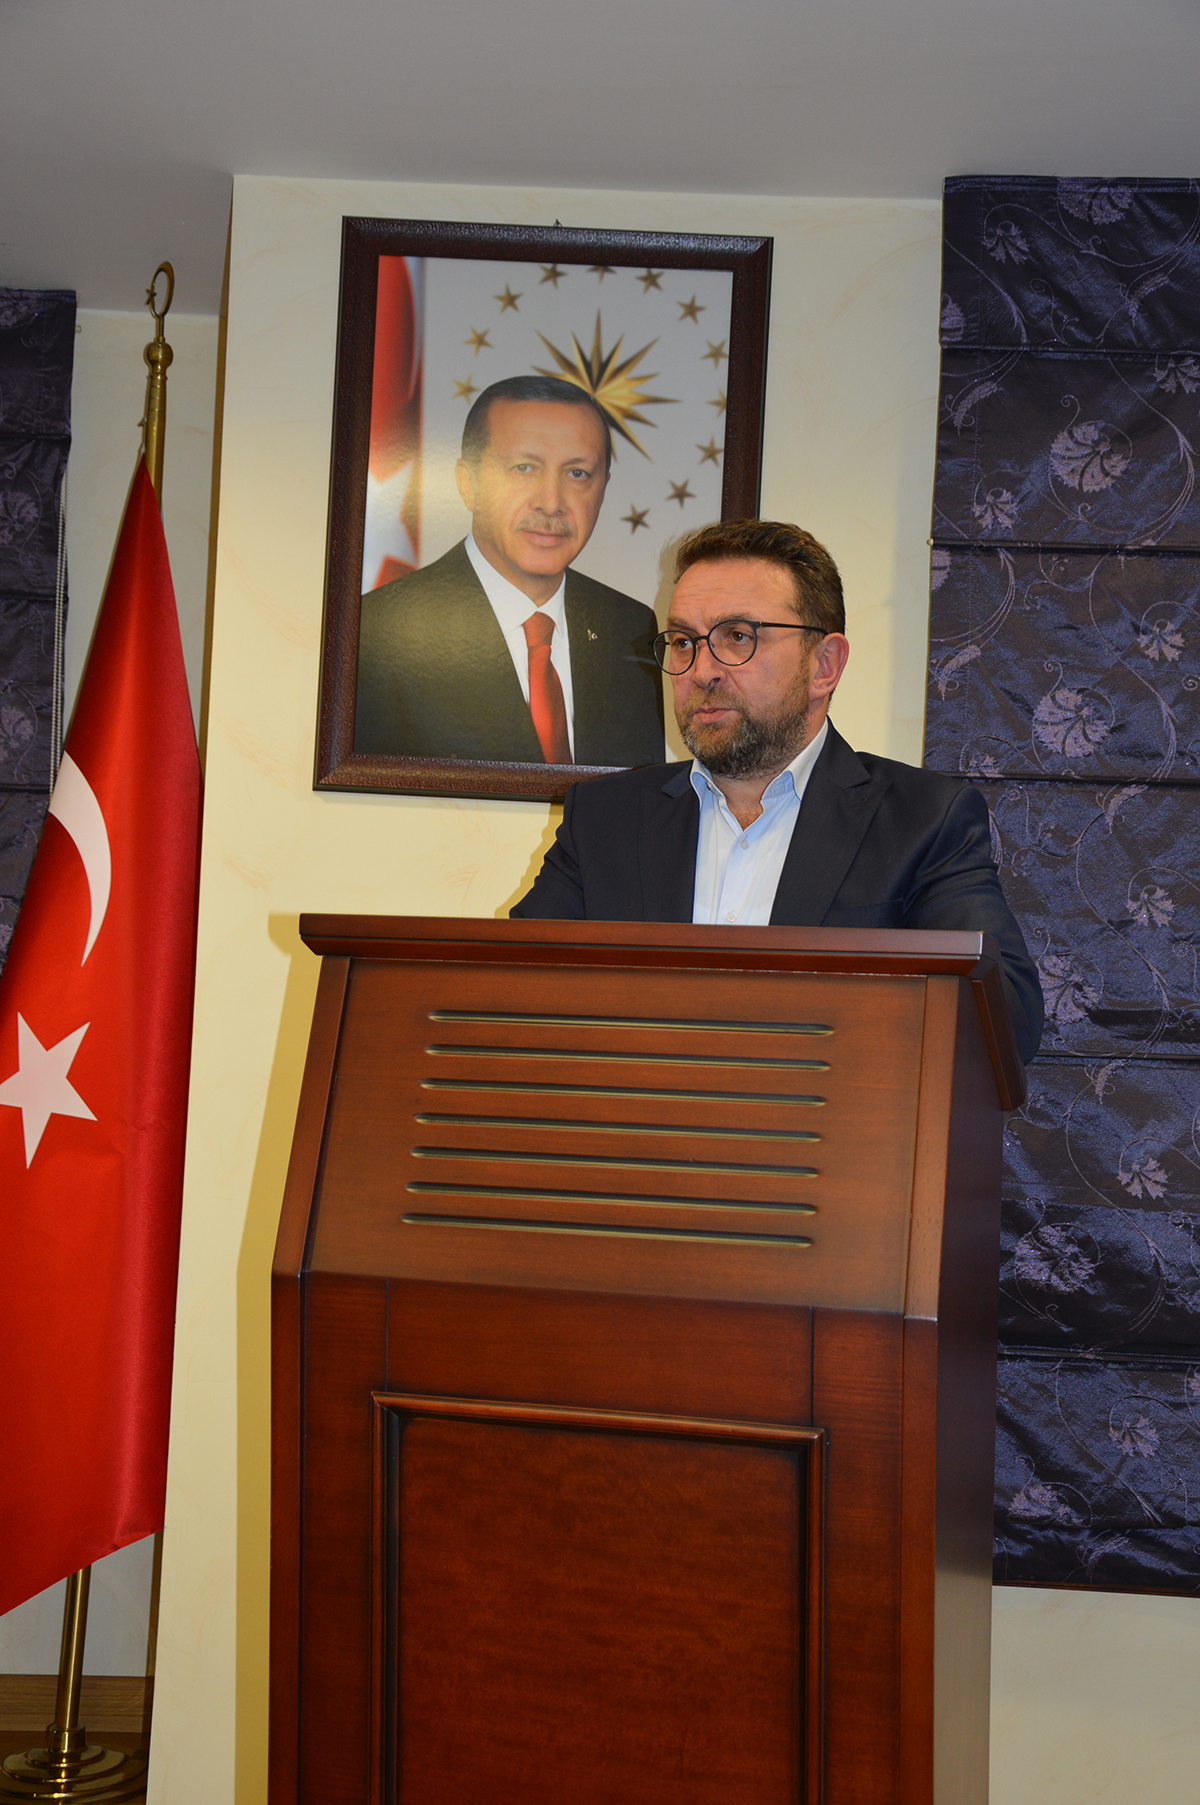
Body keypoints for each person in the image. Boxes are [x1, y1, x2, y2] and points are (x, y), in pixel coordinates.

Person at [512, 518, 1043, 1063]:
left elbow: (1007, 1021)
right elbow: (506, 996)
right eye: (684, 642)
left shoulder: (923, 820)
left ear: (824, 665)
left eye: (737, 637)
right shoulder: (603, 818)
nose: (701, 671)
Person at [354, 375, 664, 767]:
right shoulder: (378, 629)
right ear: (468, 484)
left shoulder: (630, 628)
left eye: (577, 473)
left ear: (603, 488)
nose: (551, 503)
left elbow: (641, 795)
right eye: (523, 468)